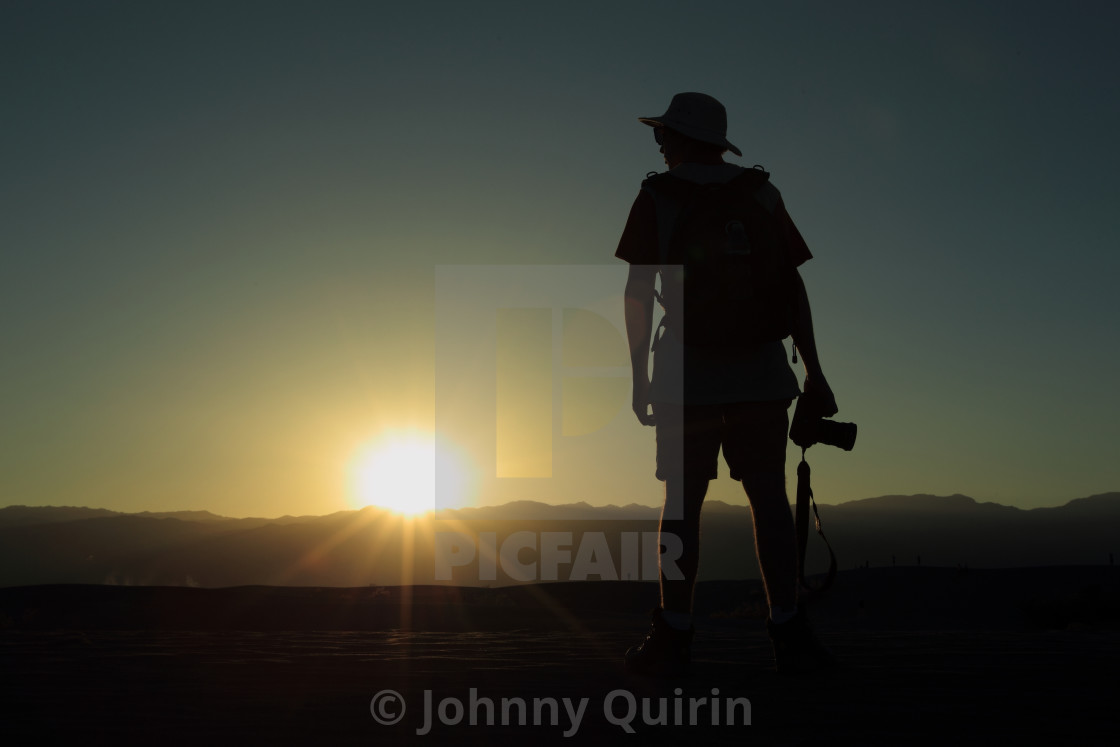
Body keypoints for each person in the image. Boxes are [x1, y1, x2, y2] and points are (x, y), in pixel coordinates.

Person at [615, 92, 837, 676]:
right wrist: (814, 369)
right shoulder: (762, 193)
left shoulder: (658, 196)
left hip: (684, 370)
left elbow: (639, 294)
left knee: (683, 501)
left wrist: (639, 376)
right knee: (768, 496)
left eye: (663, 134)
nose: (658, 143)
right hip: (763, 369)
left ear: (684, 138)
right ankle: (788, 629)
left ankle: (674, 636)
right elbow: (793, 287)